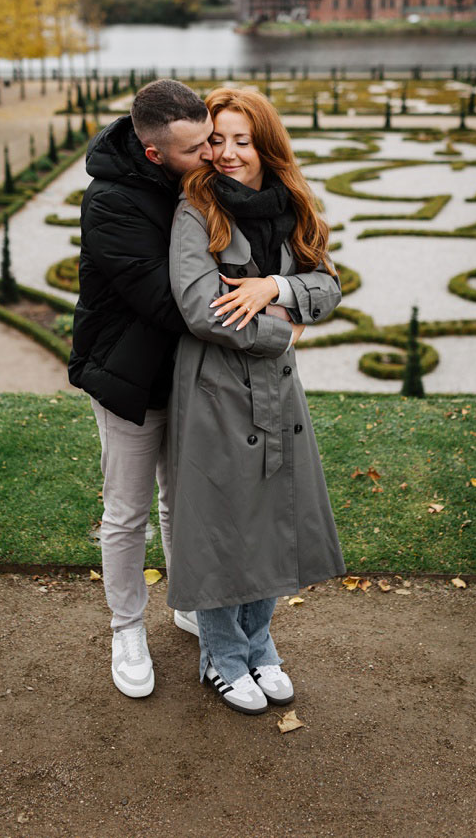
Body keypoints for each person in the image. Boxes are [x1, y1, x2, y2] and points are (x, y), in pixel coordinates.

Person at [166, 86, 345, 715]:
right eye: (217, 140)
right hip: (214, 388)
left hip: (276, 395)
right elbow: (199, 308)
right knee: (222, 523)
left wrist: (275, 284)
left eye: (242, 140)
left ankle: (260, 642)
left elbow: (328, 285)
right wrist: (281, 329)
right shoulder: (197, 209)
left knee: (275, 516)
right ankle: (220, 652)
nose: (229, 153)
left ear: (265, 143)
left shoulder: (294, 205)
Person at [68, 79, 215, 699]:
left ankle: (185, 603)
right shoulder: (110, 203)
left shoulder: (199, 175)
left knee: (182, 502)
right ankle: (127, 629)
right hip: (128, 375)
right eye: (194, 150)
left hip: (187, 373)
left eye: (211, 140)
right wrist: (266, 314)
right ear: (154, 154)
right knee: (126, 515)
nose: (211, 155)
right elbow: (169, 302)